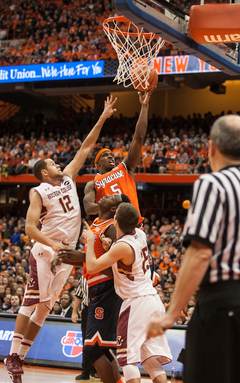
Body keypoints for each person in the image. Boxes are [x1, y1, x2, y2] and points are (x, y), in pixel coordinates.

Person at [4, 95, 117, 383]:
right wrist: (55, 245)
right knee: (31, 303)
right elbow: (30, 229)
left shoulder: (68, 178)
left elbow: (87, 146)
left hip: (66, 253)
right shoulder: (38, 192)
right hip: (46, 250)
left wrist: (103, 117)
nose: (59, 163)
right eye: (53, 162)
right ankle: (13, 354)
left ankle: (19, 358)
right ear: (44, 172)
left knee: (45, 308)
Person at [147, 114, 240, 383]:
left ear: (211, 148)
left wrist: (170, 315)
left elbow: (199, 252)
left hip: (225, 306)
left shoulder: (213, 183)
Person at [82, 202, 172, 383]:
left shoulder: (122, 246)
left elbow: (91, 267)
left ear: (115, 221)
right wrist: (110, 247)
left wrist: (91, 240)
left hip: (136, 304)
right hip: (152, 301)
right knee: (150, 359)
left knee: (127, 360)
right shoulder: (140, 234)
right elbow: (124, 257)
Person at [57, 193, 131, 383]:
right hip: (94, 287)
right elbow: (93, 258)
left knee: (92, 348)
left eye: (112, 196)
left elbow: (117, 268)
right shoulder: (97, 222)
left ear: (114, 209)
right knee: (102, 348)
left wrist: (82, 258)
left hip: (106, 288)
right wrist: (74, 257)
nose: (106, 194)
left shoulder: (112, 228)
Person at [83, 90, 154, 226]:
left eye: (111, 154)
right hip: (110, 228)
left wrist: (145, 106)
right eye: (105, 155)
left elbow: (138, 138)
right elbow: (88, 208)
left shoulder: (125, 167)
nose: (110, 155)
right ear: (97, 164)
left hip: (134, 226)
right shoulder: (93, 184)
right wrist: (108, 206)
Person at [72, 274, 98, 381]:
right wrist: (74, 312)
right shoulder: (84, 277)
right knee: (86, 341)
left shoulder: (106, 273)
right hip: (87, 310)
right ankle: (86, 371)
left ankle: (97, 371)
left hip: (100, 310)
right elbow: (79, 295)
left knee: (100, 342)